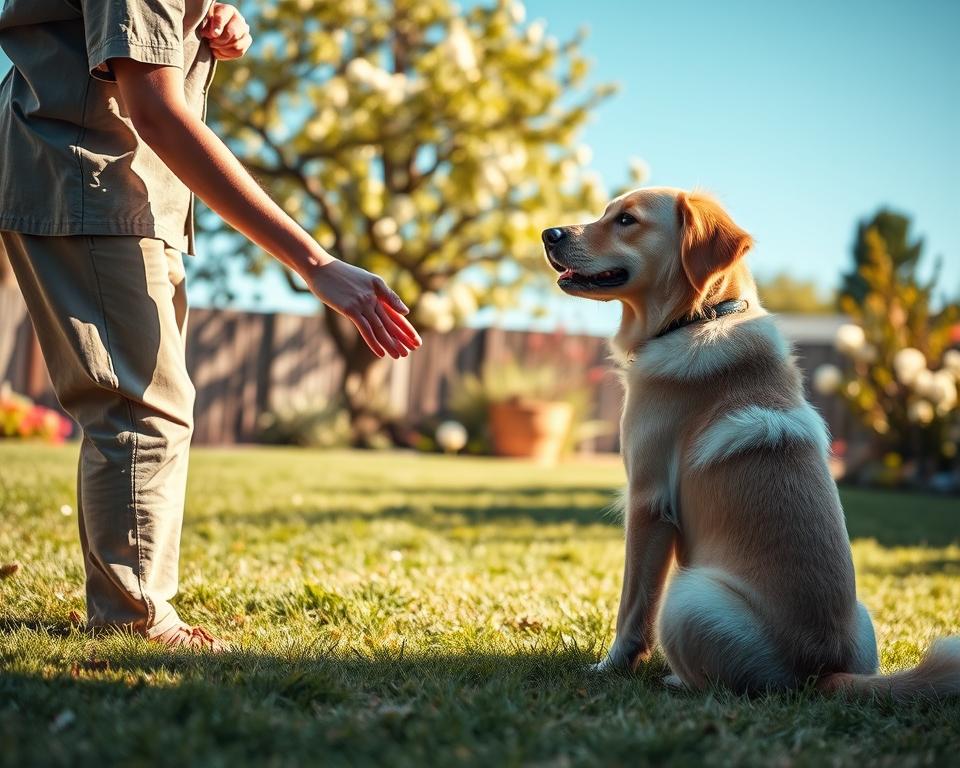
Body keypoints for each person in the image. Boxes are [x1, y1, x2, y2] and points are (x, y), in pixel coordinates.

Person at [0, 1, 421, 650]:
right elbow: (157, 110)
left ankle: (127, 604)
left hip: (123, 184)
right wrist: (314, 261)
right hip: (90, 173)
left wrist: (207, 20)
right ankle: (135, 621)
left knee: (148, 402)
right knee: (141, 410)